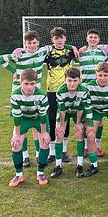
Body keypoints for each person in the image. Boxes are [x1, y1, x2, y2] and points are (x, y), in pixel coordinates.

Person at [0, 31, 76, 168]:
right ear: (25, 43)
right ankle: (25, 156)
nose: (32, 46)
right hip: (20, 94)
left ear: (38, 43)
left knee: (36, 126)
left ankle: (39, 154)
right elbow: (0, 59)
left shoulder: (42, 52)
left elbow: (57, 45)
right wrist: (13, 70)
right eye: (29, 43)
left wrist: (72, 47)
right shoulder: (19, 55)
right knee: (21, 125)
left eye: (34, 43)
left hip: (37, 94)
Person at [8, 69, 50, 187]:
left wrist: (44, 132)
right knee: (16, 144)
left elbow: (42, 115)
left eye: (32, 84)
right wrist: (16, 134)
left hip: (38, 120)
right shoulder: (15, 95)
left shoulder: (42, 95)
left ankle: (40, 173)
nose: (29, 87)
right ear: (21, 82)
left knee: (45, 142)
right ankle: (19, 175)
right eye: (26, 83)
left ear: (36, 83)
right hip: (23, 120)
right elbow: (16, 116)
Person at [44, 27, 77, 165]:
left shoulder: (70, 52)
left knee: (65, 119)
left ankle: (63, 151)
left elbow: (82, 52)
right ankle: (52, 152)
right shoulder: (47, 52)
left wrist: (72, 46)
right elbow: (32, 51)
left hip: (66, 90)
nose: (59, 40)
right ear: (52, 40)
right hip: (51, 90)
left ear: (65, 39)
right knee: (52, 120)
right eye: (56, 38)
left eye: (61, 38)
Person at [54, 67, 93, 179]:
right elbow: (62, 110)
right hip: (64, 112)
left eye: (75, 81)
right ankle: (58, 166)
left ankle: (80, 165)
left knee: (80, 133)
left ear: (80, 80)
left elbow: (81, 108)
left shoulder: (83, 90)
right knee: (59, 135)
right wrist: (61, 126)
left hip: (77, 111)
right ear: (65, 80)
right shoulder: (60, 91)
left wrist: (79, 123)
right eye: (69, 80)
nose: (72, 84)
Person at [78, 29, 108, 156]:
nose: (93, 39)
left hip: (99, 90)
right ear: (87, 39)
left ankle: (97, 145)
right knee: (86, 119)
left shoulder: (104, 53)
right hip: (86, 90)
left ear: (99, 40)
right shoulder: (81, 53)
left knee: (99, 119)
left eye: (95, 37)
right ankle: (86, 146)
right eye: (91, 37)